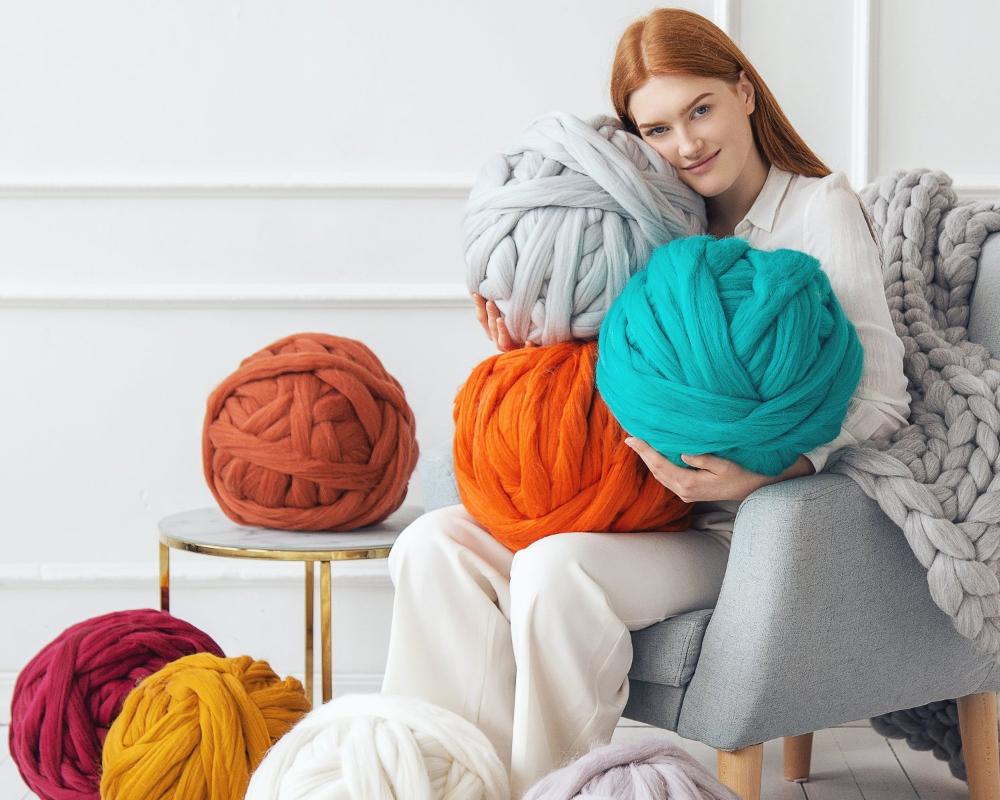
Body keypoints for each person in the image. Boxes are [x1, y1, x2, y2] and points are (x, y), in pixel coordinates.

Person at [381, 7, 911, 797]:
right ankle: (433, 777)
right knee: (433, 544)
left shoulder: (816, 211)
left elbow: (882, 401)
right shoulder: (659, 221)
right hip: (630, 507)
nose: (687, 144)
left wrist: (766, 478)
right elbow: (616, 371)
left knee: (559, 572)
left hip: (741, 533)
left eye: (700, 110)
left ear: (744, 92)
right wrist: (525, 338)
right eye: (657, 128)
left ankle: (552, 787)